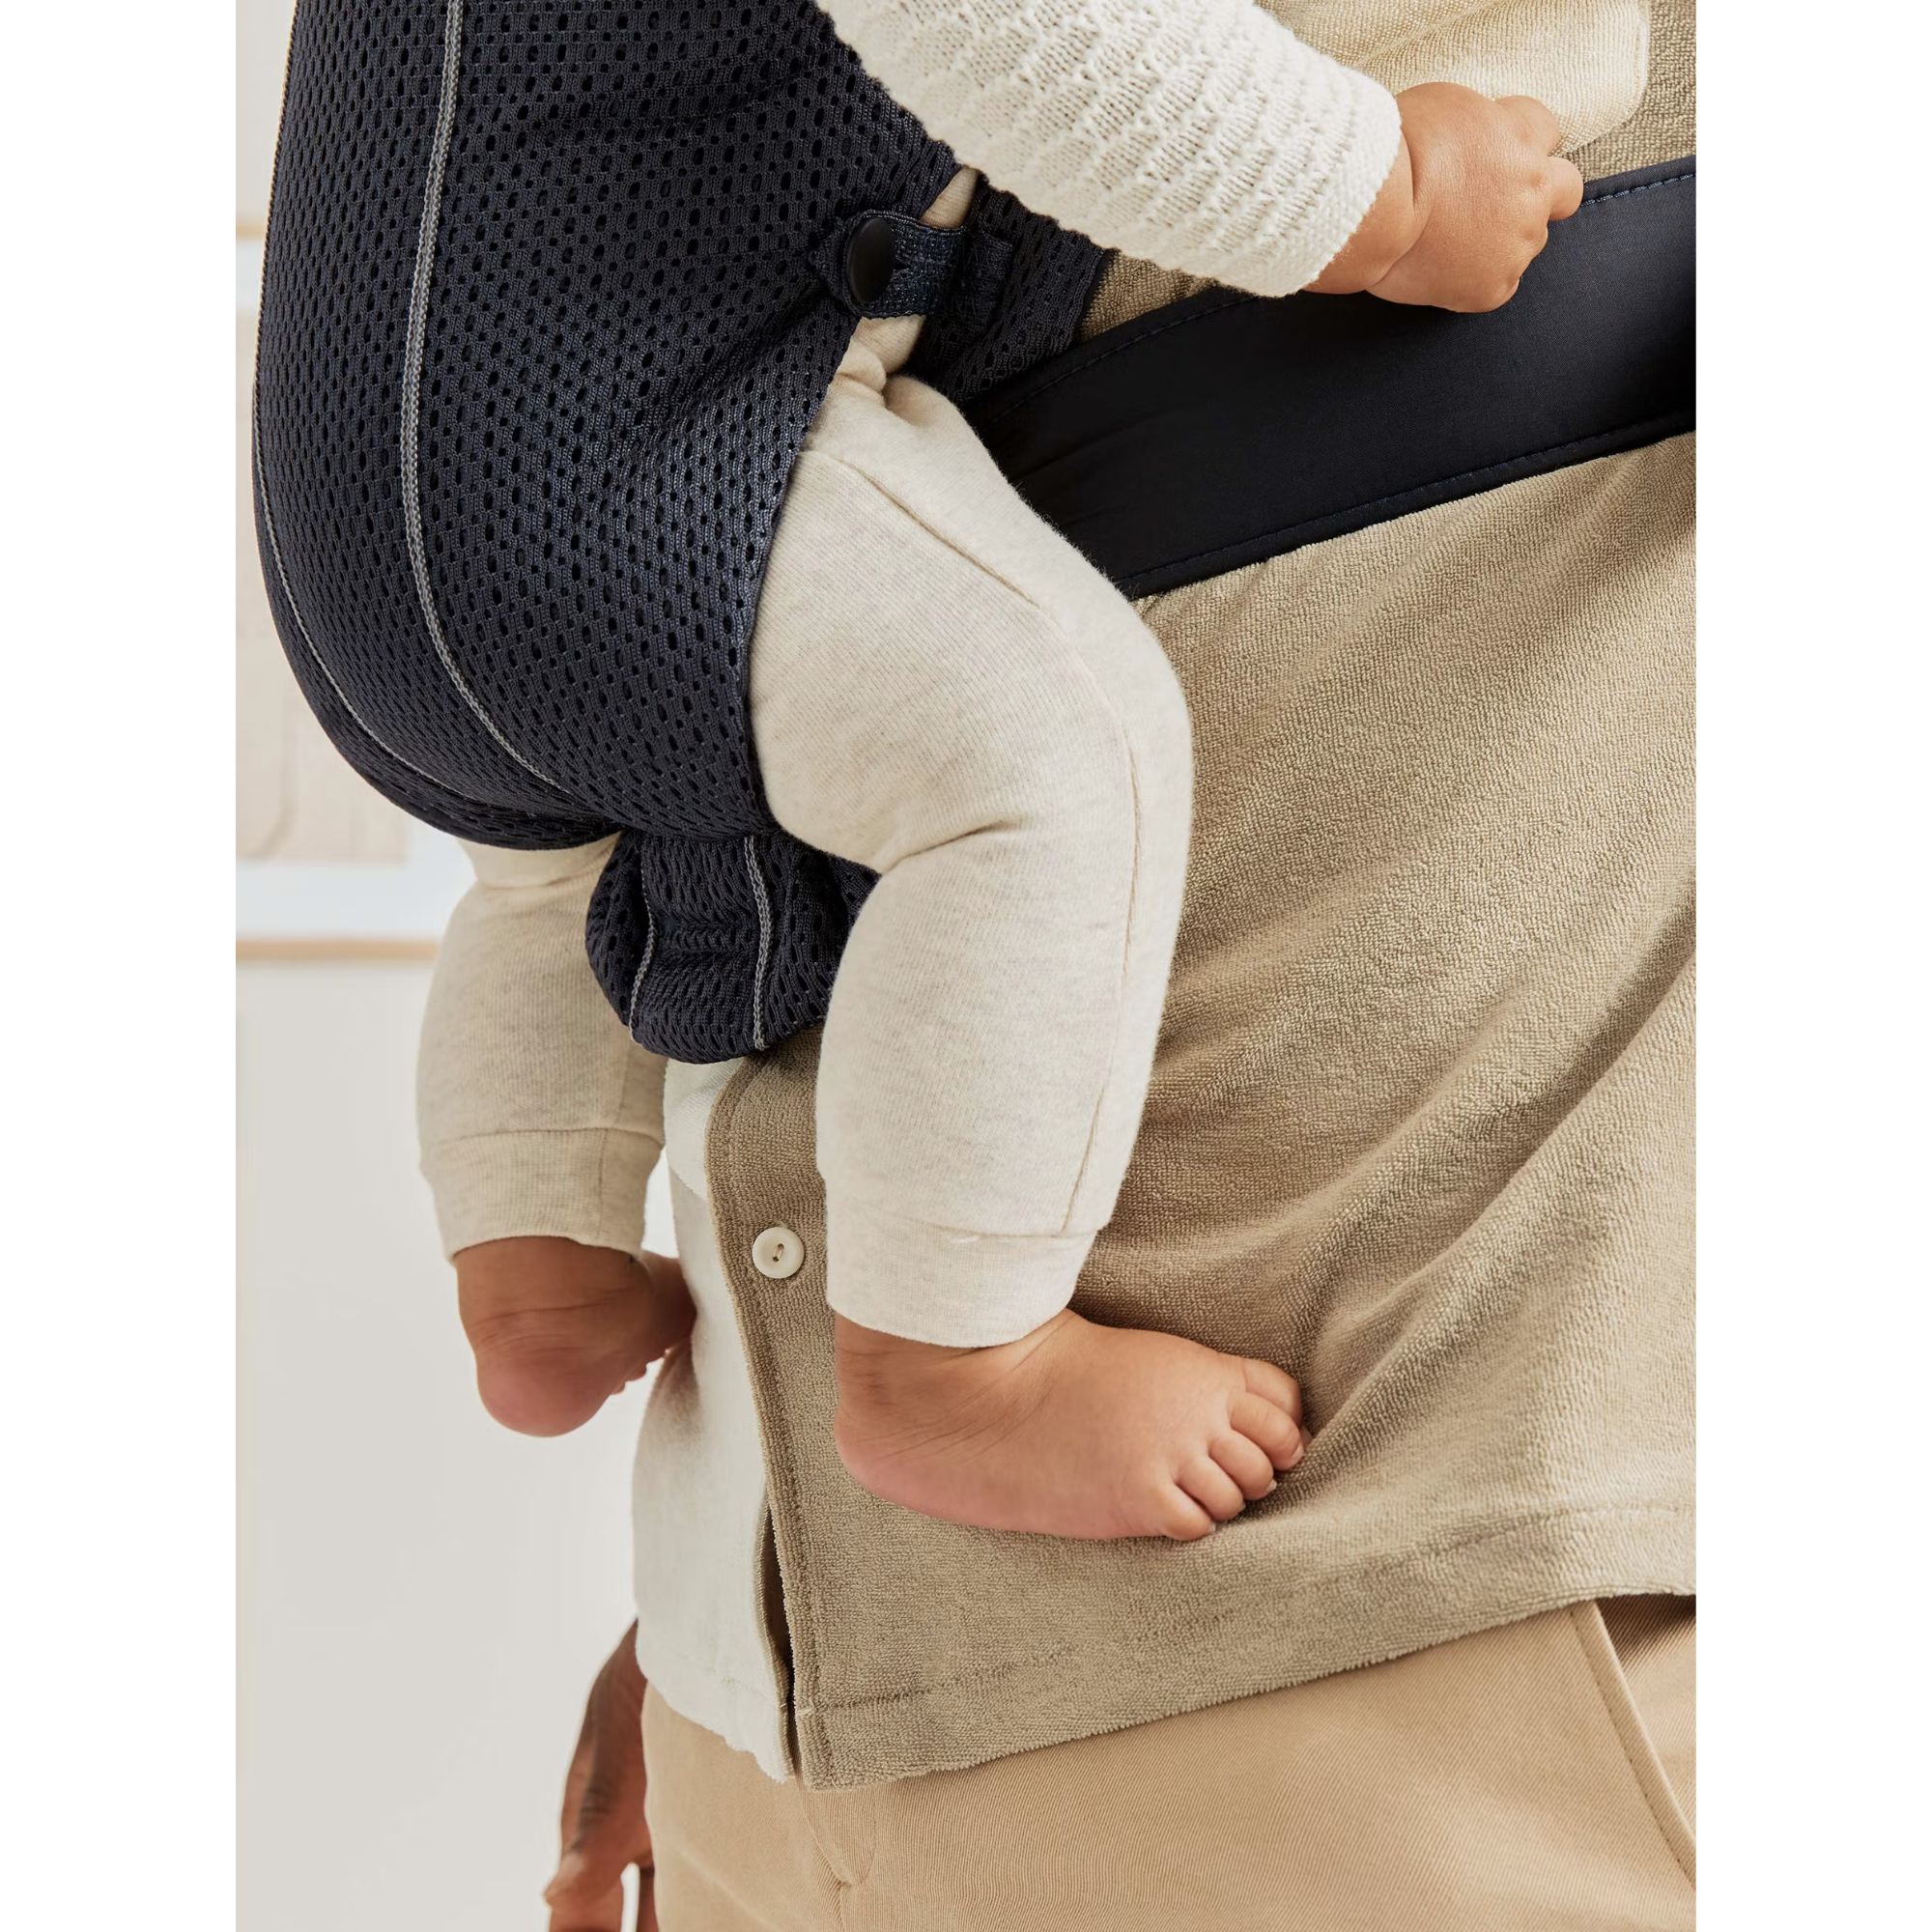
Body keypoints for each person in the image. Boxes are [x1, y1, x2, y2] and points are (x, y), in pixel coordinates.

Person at [389, 0, 1690, 1923]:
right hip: (1012, 1666)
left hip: (1281, 1670)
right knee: (1031, 761)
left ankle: (558, 1275)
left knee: (554, 843)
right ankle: (951, 1373)